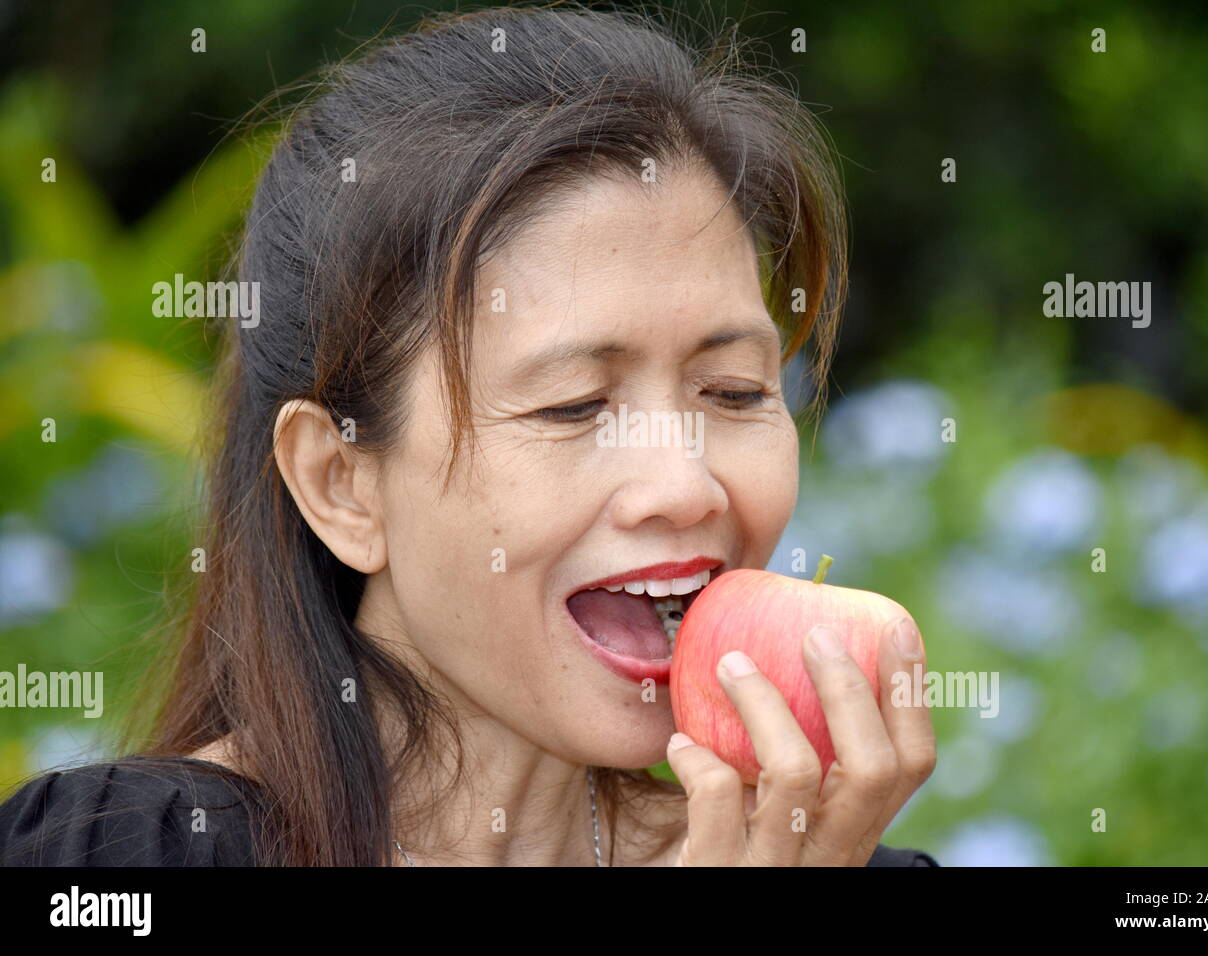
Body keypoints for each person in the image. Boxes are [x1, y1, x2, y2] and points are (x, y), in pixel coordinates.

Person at [0, 3, 938, 867]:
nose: (687, 486)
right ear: (339, 483)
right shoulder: (117, 857)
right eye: (575, 406)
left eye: (734, 392)